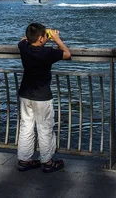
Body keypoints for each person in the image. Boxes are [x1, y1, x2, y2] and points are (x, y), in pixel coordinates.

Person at [16, 23, 71, 173]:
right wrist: (56, 39)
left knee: (26, 127)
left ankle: (24, 160)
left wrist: (43, 34)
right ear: (41, 38)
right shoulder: (47, 52)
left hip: (25, 94)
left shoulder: (24, 48)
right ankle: (47, 161)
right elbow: (67, 54)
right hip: (42, 96)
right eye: (44, 37)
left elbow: (23, 39)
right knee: (45, 128)